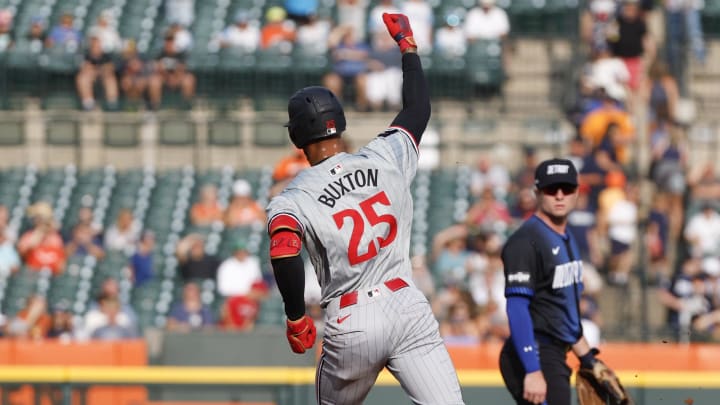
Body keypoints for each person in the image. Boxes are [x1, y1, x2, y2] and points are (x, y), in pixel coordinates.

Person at [265, 13, 464, 404]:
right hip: (407, 304)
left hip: (353, 317)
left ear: (296, 136)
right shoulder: (384, 155)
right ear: (339, 121)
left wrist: (294, 315)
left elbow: (284, 249)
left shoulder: (293, 196)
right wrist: (408, 48)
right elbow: (418, 109)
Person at [499, 158, 619, 405]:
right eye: (551, 189)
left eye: (567, 189)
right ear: (537, 193)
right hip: (533, 351)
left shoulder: (566, 236)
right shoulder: (526, 240)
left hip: (555, 353)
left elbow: (564, 312)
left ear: (577, 192)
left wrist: (589, 360)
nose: (560, 195)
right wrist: (532, 370)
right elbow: (517, 308)